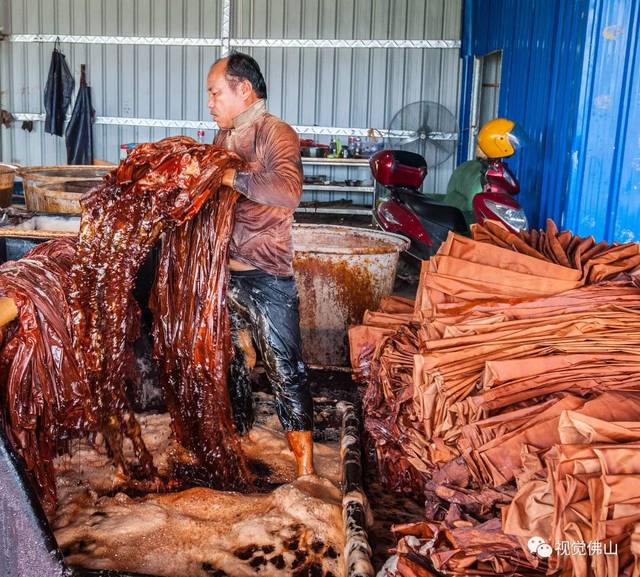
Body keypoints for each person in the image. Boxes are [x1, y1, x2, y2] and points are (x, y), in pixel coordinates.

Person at [206, 52, 315, 477]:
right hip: (223, 274)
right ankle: (240, 444)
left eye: (216, 93)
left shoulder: (276, 133)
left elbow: (287, 190)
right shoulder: (223, 139)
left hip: (267, 275)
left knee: (285, 368)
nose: (210, 102)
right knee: (228, 360)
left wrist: (231, 177)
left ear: (243, 89)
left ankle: (307, 472)